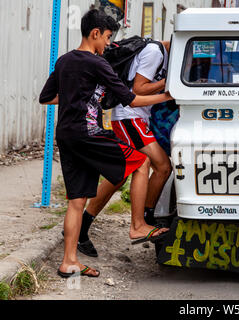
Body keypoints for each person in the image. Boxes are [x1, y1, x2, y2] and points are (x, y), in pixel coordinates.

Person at [39, 9, 172, 277]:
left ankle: (69, 262)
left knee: (77, 201)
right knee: (141, 160)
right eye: (108, 37)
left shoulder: (64, 60)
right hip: (89, 132)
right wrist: (167, 95)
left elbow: (47, 97)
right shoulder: (98, 63)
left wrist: (76, 97)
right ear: (95, 33)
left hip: (66, 134)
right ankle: (137, 225)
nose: (110, 44)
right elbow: (132, 99)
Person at [72, 37, 174, 257]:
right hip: (129, 116)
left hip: (135, 117)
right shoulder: (155, 52)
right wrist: (169, 83)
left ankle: (81, 226)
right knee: (162, 166)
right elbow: (138, 88)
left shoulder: (161, 54)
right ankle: (143, 221)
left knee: (119, 174)